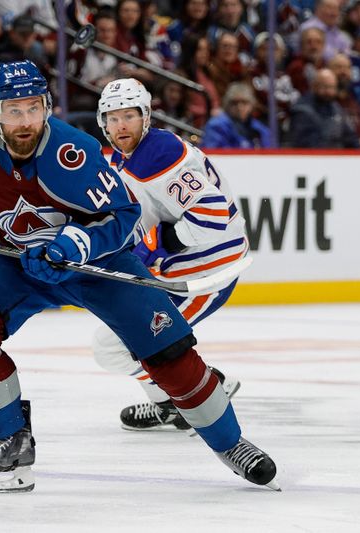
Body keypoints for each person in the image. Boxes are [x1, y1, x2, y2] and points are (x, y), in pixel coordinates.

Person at [0, 59, 279, 493]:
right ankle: (11, 441)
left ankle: (231, 443)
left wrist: (75, 243)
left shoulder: (74, 154)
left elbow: (122, 215)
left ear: (47, 107)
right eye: (12, 110)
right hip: (21, 261)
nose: (24, 121)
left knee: (169, 353)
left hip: (99, 265)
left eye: (33, 109)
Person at [96, 78, 244, 431]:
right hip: (187, 266)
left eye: (128, 116)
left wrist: (162, 244)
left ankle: (206, 390)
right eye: (113, 118)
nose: (121, 126)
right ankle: (170, 403)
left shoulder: (158, 153)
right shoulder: (130, 155)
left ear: (145, 117)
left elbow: (210, 216)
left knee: (117, 346)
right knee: (111, 345)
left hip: (206, 271)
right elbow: (145, 213)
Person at [200, 82, 273, 149]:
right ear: (227, 105)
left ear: (252, 105)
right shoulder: (216, 126)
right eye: (234, 103)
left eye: (244, 102)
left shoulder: (259, 129)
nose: (239, 107)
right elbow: (211, 153)